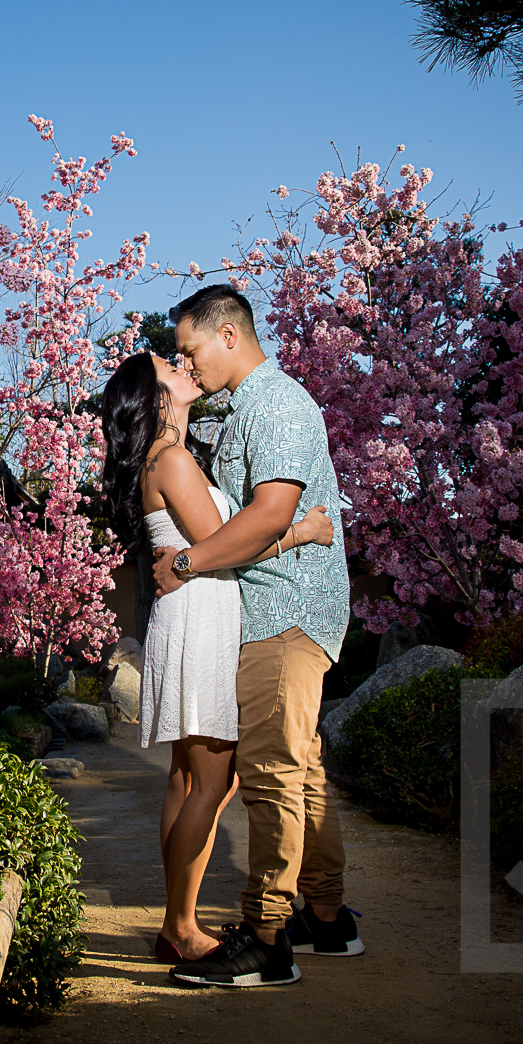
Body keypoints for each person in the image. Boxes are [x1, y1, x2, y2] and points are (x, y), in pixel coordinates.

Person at [149, 284, 360, 989]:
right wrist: (177, 407)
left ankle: (266, 938)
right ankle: (327, 918)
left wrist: (185, 563)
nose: (187, 363)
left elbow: (271, 515)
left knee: (270, 774)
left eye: (191, 349)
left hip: (288, 610)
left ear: (230, 336)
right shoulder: (240, 411)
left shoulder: (278, 403)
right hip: (268, 607)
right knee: (299, 768)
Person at [98, 351, 335, 968]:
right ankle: (182, 926)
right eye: (167, 366)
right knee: (213, 779)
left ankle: (179, 920)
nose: (182, 364)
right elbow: (221, 549)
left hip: (191, 615)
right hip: (200, 618)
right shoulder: (171, 459)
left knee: (187, 777)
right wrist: (301, 532)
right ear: (155, 397)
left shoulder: (173, 456)